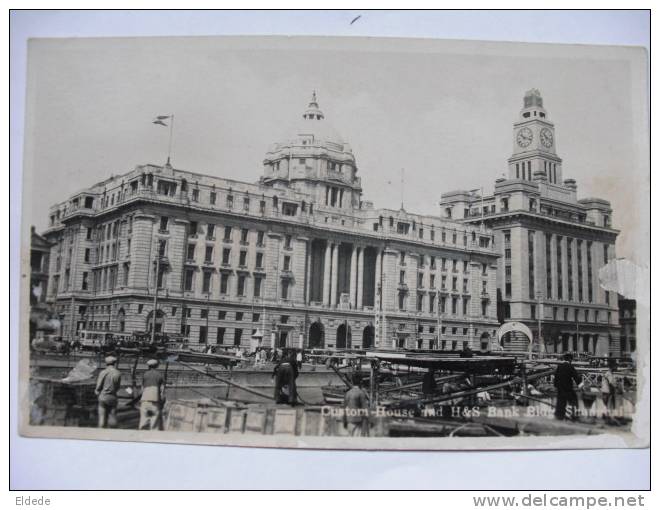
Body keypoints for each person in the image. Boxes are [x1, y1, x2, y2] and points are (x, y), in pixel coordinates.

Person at [95, 355, 122, 428]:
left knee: (102, 417)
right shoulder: (118, 373)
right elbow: (118, 386)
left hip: (103, 396)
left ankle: (101, 432)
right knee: (113, 416)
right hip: (113, 396)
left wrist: (97, 391)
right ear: (114, 363)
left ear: (106, 363)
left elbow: (98, 386)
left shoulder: (103, 372)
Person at [554, 353, 582, 420]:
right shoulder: (570, 366)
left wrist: (556, 386)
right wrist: (581, 385)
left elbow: (556, 377)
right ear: (570, 359)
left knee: (560, 401)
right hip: (568, 388)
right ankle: (574, 415)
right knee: (573, 400)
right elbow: (576, 377)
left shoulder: (559, 366)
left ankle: (559, 416)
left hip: (560, 387)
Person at [139, 359, 166, 430]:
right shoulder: (160, 375)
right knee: (154, 423)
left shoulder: (145, 375)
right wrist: (162, 402)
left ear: (148, 366)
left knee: (143, 421)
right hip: (155, 401)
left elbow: (142, 389)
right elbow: (162, 391)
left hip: (145, 400)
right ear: (157, 366)